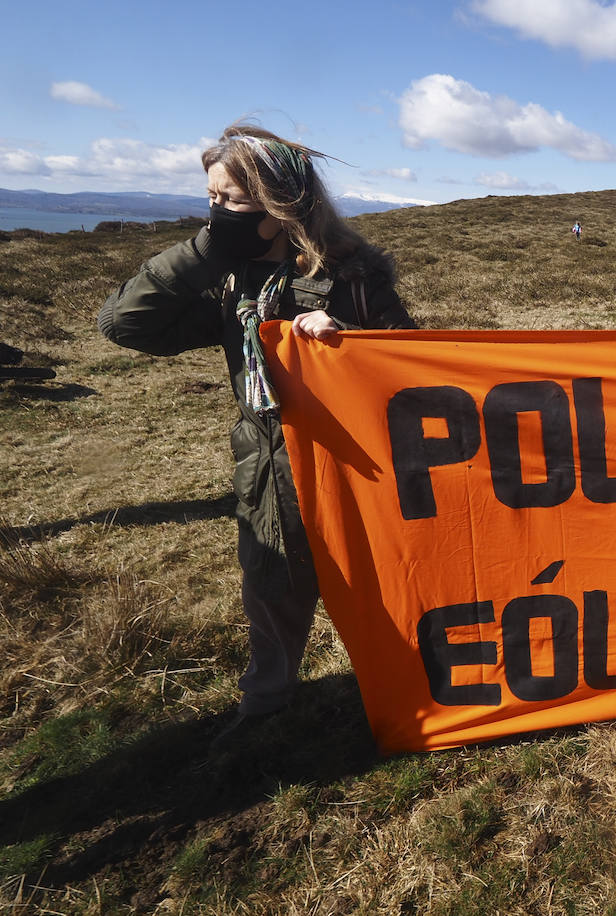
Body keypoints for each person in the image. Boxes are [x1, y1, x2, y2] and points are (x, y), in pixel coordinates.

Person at [99, 123, 416, 740]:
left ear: (280, 204)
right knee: (272, 587)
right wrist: (201, 255)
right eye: (211, 199)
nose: (217, 212)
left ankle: (402, 687)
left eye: (232, 201)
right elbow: (125, 326)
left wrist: (347, 343)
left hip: (356, 463)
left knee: (382, 583)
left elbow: (411, 368)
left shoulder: (353, 274)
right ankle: (265, 707)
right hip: (269, 462)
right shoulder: (225, 277)